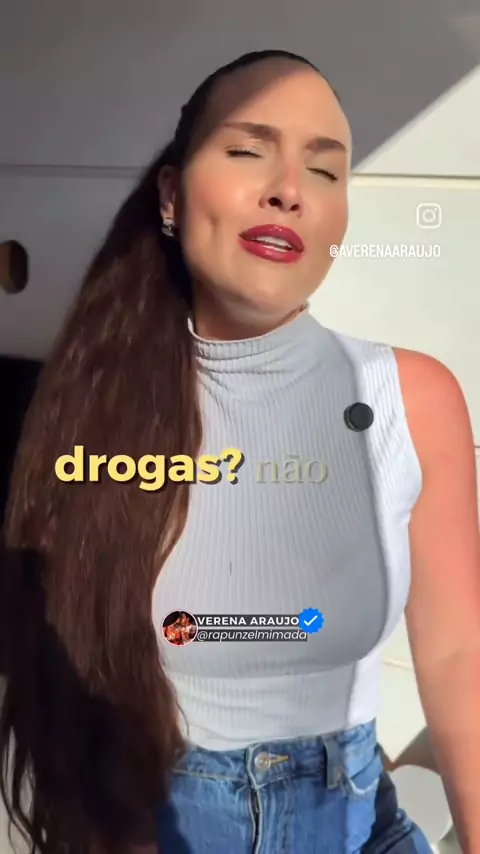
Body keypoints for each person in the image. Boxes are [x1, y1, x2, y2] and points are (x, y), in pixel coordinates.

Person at [1, 48, 479, 854]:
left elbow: (459, 652)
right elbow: (65, 688)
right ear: (171, 195)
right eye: (250, 151)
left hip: (361, 821)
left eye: (325, 171)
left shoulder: (415, 399)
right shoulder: (93, 411)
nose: (290, 189)